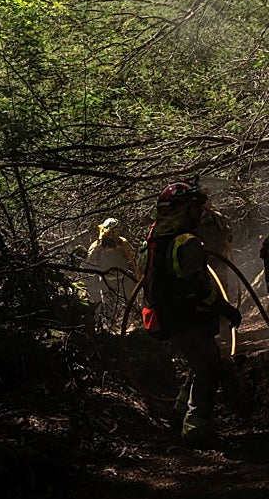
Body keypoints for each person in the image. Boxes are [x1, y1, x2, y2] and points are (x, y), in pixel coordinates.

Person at [142, 180, 243, 449]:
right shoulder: (186, 242)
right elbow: (201, 288)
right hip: (188, 317)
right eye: (196, 208)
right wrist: (226, 310)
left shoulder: (158, 237)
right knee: (209, 368)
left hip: (173, 316)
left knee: (200, 364)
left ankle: (178, 415)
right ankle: (197, 427)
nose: (201, 213)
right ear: (183, 210)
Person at [84, 218, 138, 330]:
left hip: (124, 278)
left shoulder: (123, 242)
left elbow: (131, 258)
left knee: (130, 301)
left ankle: (132, 324)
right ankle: (109, 326)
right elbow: (89, 262)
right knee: (107, 304)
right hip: (106, 280)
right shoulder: (97, 245)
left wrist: (136, 274)